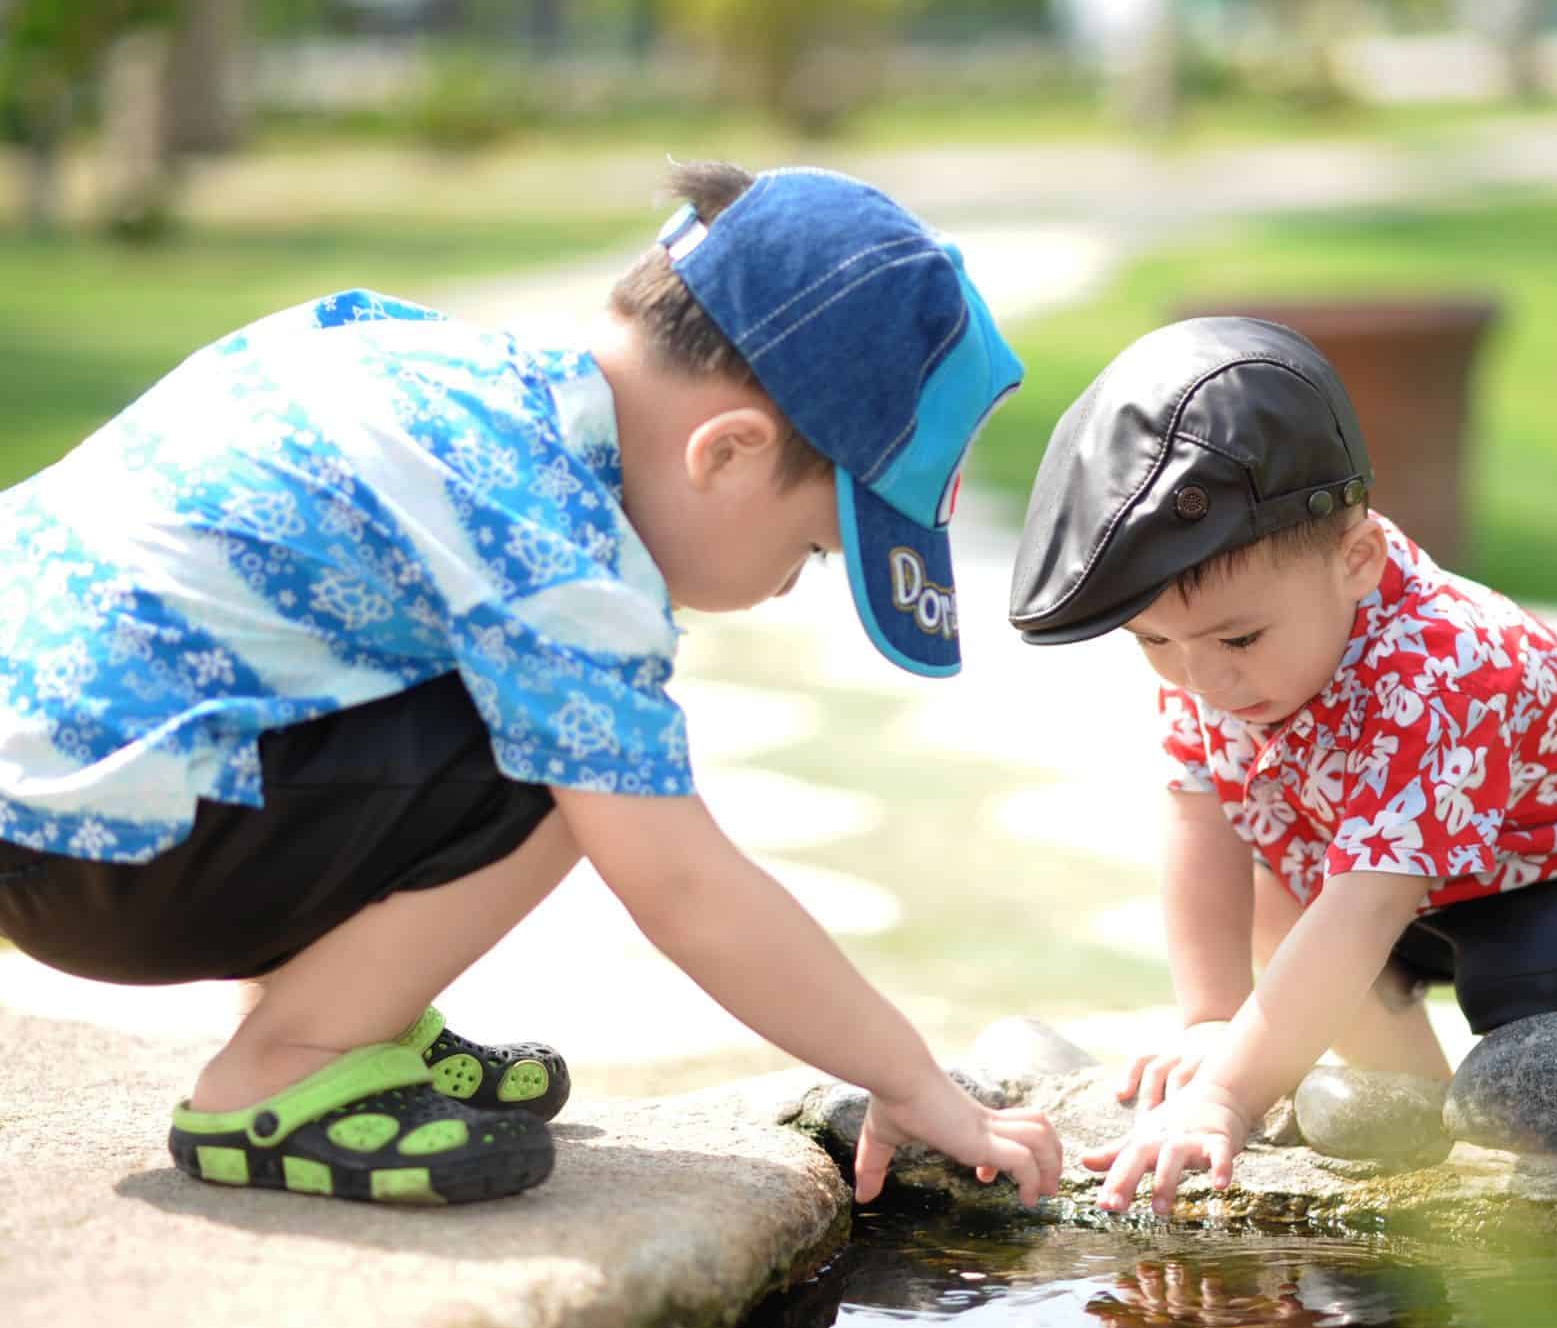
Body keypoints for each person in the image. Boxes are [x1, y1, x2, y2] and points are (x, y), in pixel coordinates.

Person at [0, 161, 1060, 1209]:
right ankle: (291, 1063)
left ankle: (350, 1005)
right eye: (815, 551)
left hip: (57, 801)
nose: (788, 587)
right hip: (99, 857)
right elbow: (682, 889)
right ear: (727, 454)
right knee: (581, 770)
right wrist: (912, 1080)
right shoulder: (558, 545)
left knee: (490, 696)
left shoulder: (432, 366)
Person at [1007, 316, 1557, 1215]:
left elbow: (1368, 906)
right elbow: (1199, 819)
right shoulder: (1215, 659)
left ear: (1356, 560)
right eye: (1154, 642)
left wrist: (1226, 1095)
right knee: (1281, 886)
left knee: (1533, 991)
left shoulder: (1441, 667)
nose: (1204, 677)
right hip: (1438, 873)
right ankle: (1415, 1128)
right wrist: (1213, 1020)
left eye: (1238, 637)